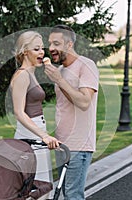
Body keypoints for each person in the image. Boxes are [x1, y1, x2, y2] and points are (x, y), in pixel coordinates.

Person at [44, 25, 99, 199]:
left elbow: (83, 102)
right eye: (50, 43)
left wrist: (59, 80)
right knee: (66, 194)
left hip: (79, 145)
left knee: (73, 195)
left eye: (56, 43)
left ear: (69, 44)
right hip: (62, 144)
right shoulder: (60, 70)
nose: (51, 48)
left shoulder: (86, 66)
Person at [10, 31, 59, 199]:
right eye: (36, 49)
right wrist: (44, 135)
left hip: (37, 133)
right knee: (33, 188)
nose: (42, 52)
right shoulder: (22, 75)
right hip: (29, 135)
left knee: (42, 187)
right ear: (25, 52)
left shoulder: (31, 74)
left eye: (42, 48)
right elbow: (19, 112)